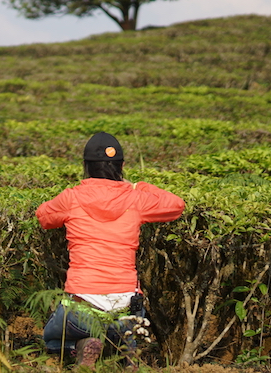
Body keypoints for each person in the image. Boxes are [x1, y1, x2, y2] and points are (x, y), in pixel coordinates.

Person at [36, 132, 186, 368]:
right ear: (122, 166)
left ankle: (83, 345)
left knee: (52, 338)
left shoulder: (71, 197)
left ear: (85, 166)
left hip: (81, 306)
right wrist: (138, 186)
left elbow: (43, 216)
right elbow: (177, 205)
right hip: (126, 306)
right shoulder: (136, 198)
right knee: (124, 326)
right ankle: (126, 349)